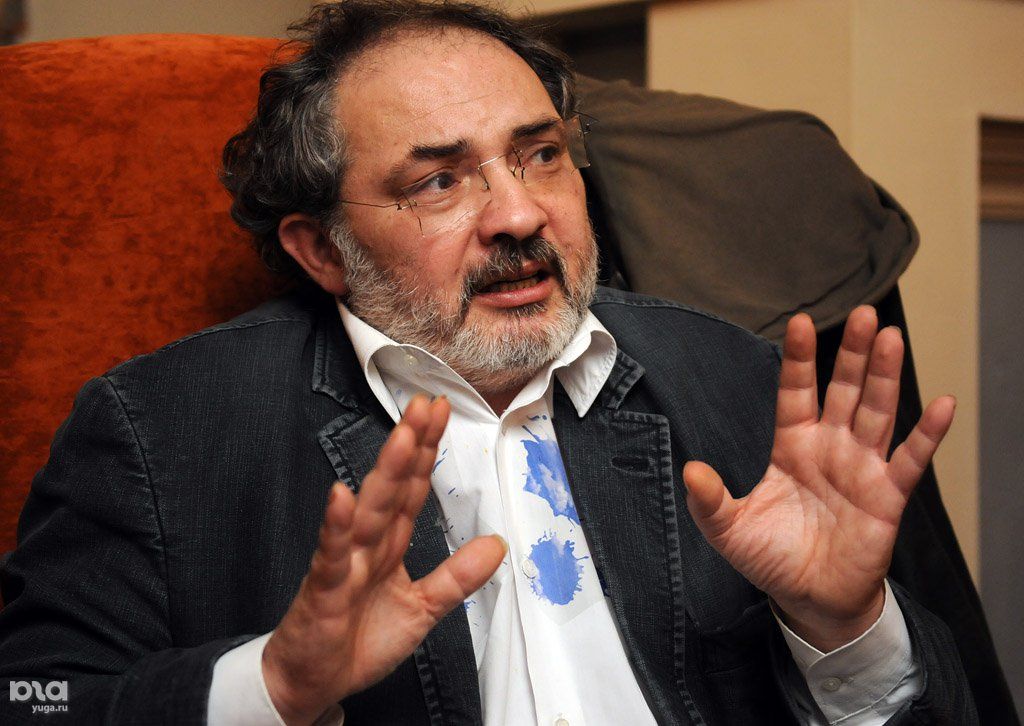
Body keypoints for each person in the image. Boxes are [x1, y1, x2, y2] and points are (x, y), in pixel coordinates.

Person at [0, 1, 981, 724]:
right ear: (321, 249)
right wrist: (272, 686)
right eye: (438, 180)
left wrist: (844, 626)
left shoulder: (735, 381)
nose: (519, 213)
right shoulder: (154, 430)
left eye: (541, 154)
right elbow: (33, 697)